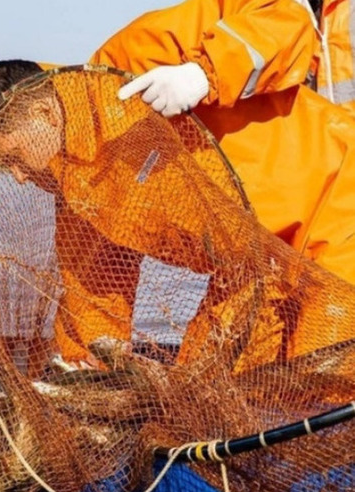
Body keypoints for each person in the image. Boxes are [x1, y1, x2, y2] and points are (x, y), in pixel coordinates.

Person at [94, 0, 355, 287]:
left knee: (333, 313)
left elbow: (285, 27)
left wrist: (203, 75)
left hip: (334, 205)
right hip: (272, 223)